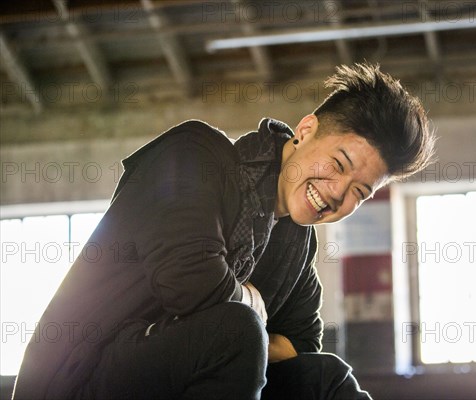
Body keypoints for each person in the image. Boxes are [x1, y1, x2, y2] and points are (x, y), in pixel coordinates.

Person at [12, 63, 435, 400]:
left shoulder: (293, 242)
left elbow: (303, 343)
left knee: (324, 377)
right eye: (338, 165)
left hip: (173, 379)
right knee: (236, 332)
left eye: (359, 192)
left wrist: (245, 319)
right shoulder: (194, 156)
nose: (338, 194)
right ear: (305, 131)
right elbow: (190, 285)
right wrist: (251, 310)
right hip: (78, 376)